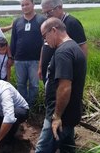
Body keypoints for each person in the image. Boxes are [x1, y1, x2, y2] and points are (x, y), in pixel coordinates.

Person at [35, 18, 87, 152]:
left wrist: (57, 116)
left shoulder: (63, 52)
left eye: (44, 36)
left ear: (53, 30)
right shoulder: (74, 47)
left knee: (42, 149)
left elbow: (65, 87)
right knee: (67, 147)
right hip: (71, 112)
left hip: (60, 114)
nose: (45, 41)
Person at [38, 0, 88, 84]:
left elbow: (82, 47)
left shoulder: (72, 23)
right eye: (44, 13)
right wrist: (41, 66)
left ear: (60, 7)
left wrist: (79, 71)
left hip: (64, 73)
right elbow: (44, 46)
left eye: (49, 12)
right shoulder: (47, 23)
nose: (46, 16)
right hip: (49, 71)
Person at [10, 0, 46, 108]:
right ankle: (23, 106)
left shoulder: (42, 20)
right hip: (19, 59)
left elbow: (45, 42)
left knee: (34, 85)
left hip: (35, 60)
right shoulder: (17, 22)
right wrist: (11, 57)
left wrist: (42, 60)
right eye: (22, 5)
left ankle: (31, 105)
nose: (24, 7)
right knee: (20, 84)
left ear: (33, 4)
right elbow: (13, 40)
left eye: (27, 4)